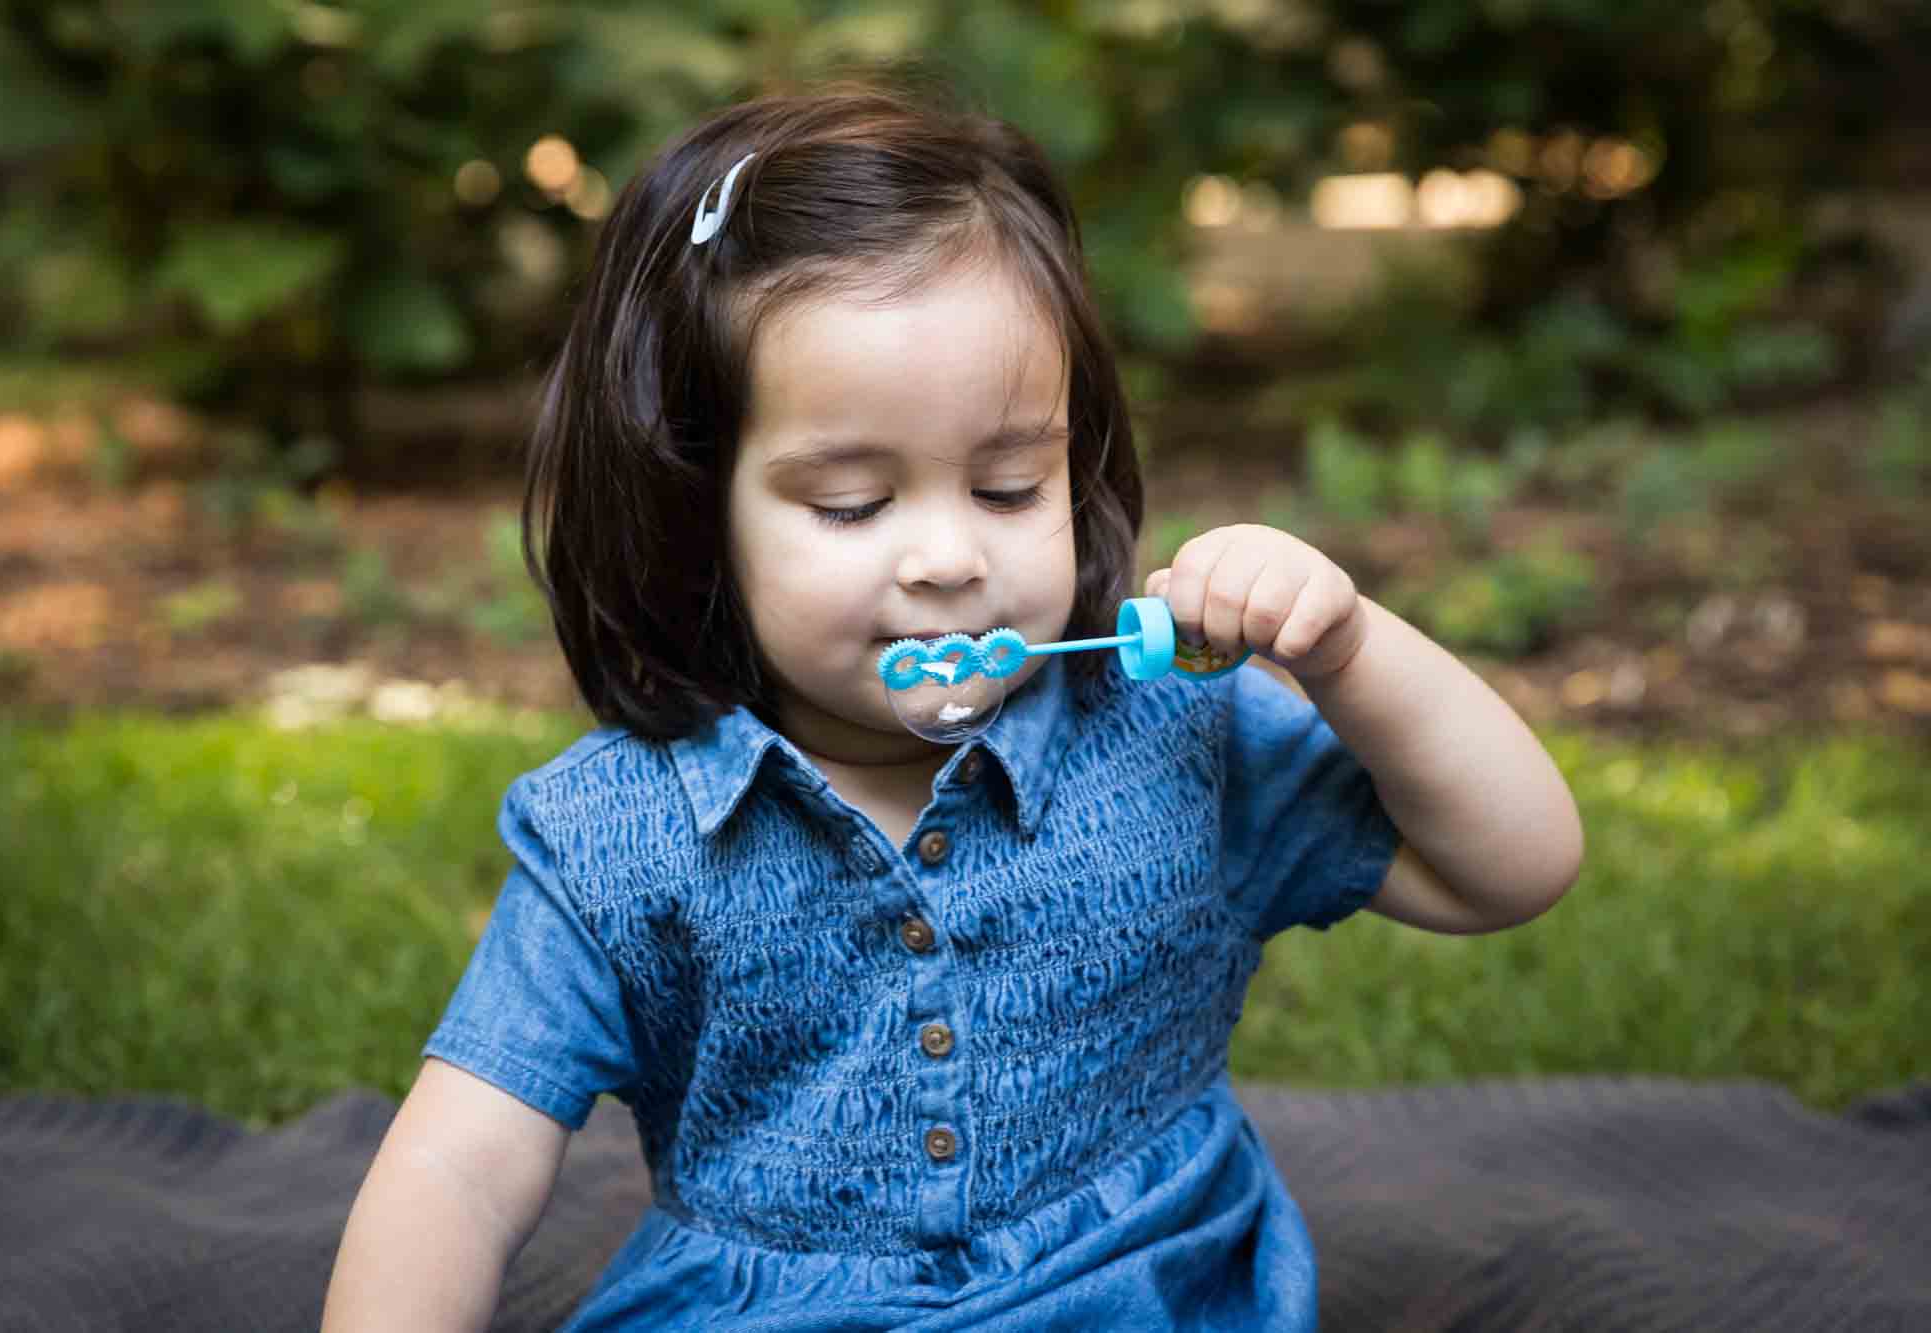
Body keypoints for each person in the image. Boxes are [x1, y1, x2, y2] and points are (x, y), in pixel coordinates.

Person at [321, 80, 1582, 1333]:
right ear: (696, 516)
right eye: (852, 505)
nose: (944, 558)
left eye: (1006, 485)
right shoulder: (617, 840)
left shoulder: (1178, 738)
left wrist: (1350, 653)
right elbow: (458, 1169)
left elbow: (1511, 866)